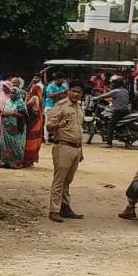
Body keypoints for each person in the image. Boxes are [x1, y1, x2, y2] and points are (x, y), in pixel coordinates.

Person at [46, 80, 85, 223]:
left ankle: (65, 207)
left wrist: (81, 151)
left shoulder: (79, 108)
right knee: (59, 180)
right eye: (73, 91)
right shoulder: (60, 106)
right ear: (68, 91)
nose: (75, 94)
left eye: (78, 92)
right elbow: (49, 126)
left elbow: (79, 130)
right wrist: (58, 125)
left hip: (76, 148)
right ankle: (54, 210)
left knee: (67, 180)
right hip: (63, 146)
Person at [0, 84, 28, 168]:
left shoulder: (21, 103)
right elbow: (3, 113)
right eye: (11, 93)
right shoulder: (7, 102)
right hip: (7, 127)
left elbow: (23, 116)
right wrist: (9, 113)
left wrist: (12, 113)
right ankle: (6, 162)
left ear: (17, 94)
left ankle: (16, 163)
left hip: (17, 128)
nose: (11, 94)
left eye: (14, 93)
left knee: (17, 145)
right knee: (5, 144)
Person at [95, 76, 131, 148]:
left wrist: (96, 97)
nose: (112, 84)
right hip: (126, 110)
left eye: (113, 83)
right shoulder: (125, 91)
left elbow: (105, 95)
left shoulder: (116, 91)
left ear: (117, 83)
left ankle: (109, 143)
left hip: (118, 111)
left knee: (111, 125)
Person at [23, 78, 44, 167]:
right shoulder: (39, 98)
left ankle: (28, 159)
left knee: (30, 140)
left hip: (33, 121)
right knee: (34, 140)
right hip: (38, 121)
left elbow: (26, 106)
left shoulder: (34, 97)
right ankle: (31, 160)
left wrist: (25, 98)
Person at [42, 73, 67, 144]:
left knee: (59, 123)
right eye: (62, 80)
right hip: (49, 106)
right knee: (47, 123)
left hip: (59, 107)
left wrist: (57, 95)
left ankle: (56, 138)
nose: (63, 81)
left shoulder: (62, 87)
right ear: (58, 79)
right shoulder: (50, 86)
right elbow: (51, 95)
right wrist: (61, 93)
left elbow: (65, 96)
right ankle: (46, 139)